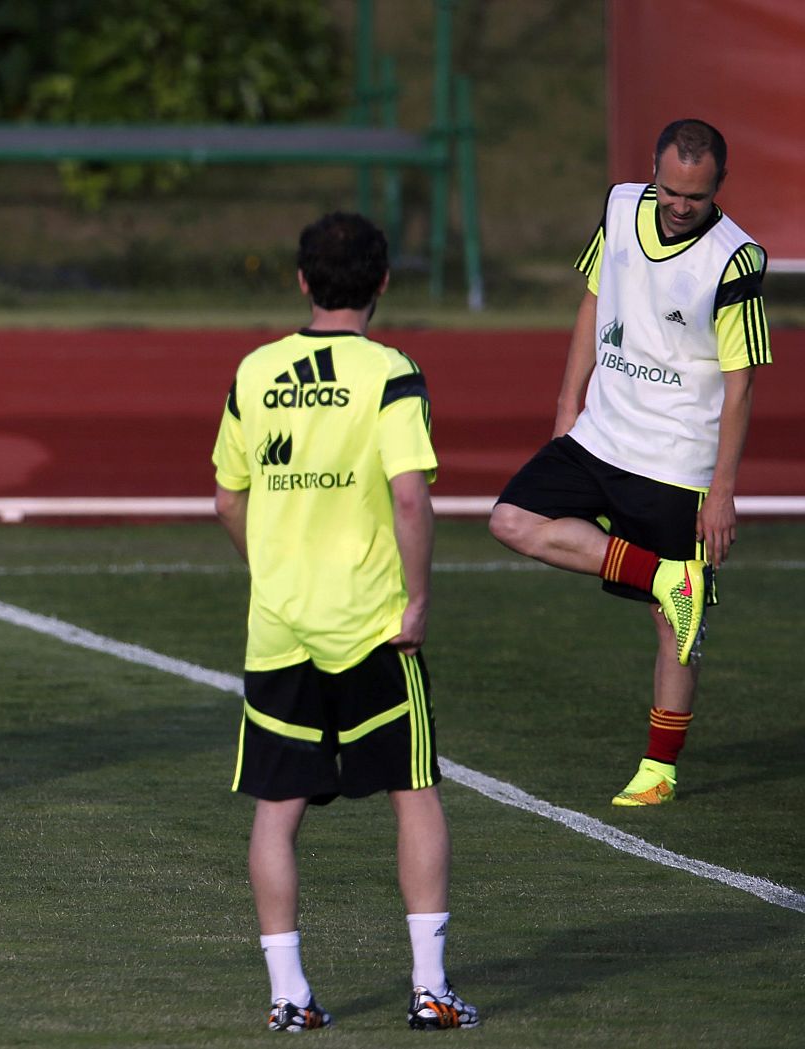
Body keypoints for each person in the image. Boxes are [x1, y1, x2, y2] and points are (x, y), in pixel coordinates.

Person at [212, 213, 478, 1032]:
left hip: (281, 623)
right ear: (383, 282)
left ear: (301, 280)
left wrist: (275, 568)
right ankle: (429, 988)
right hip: (373, 623)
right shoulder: (392, 372)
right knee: (414, 791)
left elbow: (228, 496)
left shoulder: (255, 371)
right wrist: (420, 597)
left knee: (277, 806)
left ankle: (288, 995)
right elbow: (409, 496)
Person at [489, 119, 770, 807]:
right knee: (511, 520)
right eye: (670, 190)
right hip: (600, 435)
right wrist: (567, 404)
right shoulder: (620, 205)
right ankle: (667, 575)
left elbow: (742, 381)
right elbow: (593, 299)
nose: (679, 205)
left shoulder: (737, 261)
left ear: (718, 189)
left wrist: (722, 492)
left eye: (695, 197)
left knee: (671, 624)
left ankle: (659, 769)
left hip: (676, 458)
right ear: (653, 170)